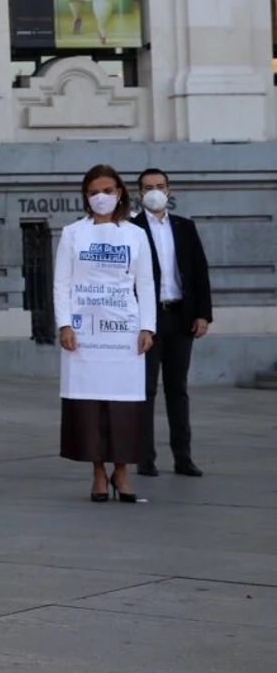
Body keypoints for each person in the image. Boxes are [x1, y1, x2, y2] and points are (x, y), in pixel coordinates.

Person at [55, 165, 156, 503]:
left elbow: (145, 283)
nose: (102, 197)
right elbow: (62, 283)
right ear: (86, 196)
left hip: (124, 332)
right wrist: (64, 324)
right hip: (84, 332)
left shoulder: (135, 234)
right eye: (95, 191)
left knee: (124, 403)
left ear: (120, 192)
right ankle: (98, 472)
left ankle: (122, 471)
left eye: (108, 190)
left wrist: (147, 327)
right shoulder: (73, 234)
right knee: (90, 404)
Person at [131, 168, 213, 478]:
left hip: (180, 316)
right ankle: (145, 457)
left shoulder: (184, 227)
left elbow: (199, 272)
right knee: (146, 389)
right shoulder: (132, 228)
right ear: (140, 192)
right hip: (147, 320)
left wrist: (203, 314)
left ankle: (183, 457)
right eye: (148, 187)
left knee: (177, 389)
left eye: (160, 186)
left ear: (169, 190)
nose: (154, 191)